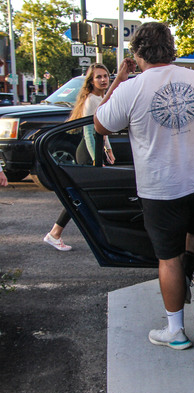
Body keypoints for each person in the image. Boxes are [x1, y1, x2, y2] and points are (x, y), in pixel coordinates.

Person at [94, 22, 194, 350]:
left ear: (137, 52)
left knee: (168, 257)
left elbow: (101, 124)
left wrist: (119, 77)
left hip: (162, 188)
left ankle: (175, 330)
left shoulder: (132, 88)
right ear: (171, 48)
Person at [43, 63, 115, 252]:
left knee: (82, 197)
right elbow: (89, 133)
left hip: (95, 150)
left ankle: (56, 233)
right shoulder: (92, 100)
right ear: (91, 81)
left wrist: (108, 150)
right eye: (98, 77)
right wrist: (95, 160)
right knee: (80, 196)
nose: (103, 79)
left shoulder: (100, 98)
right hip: (88, 152)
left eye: (105, 76)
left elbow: (102, 131)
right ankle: (55, 233)